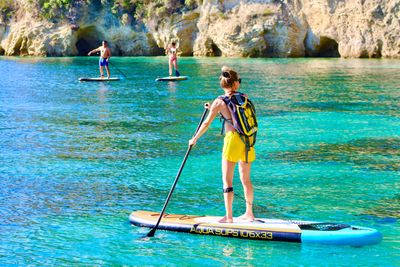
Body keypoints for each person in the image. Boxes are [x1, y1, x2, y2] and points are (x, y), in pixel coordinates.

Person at [189, 66, 256, 223]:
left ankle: (229, 217)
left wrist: (194, 138)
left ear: (223, 84)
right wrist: (212, 108)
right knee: (246, 179)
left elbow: (206, 123)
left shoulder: (219, 101)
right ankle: (249, 213)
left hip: (232, 140)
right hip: (248, 141)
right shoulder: (244, 97)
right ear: (235, 84)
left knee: (227, 180)